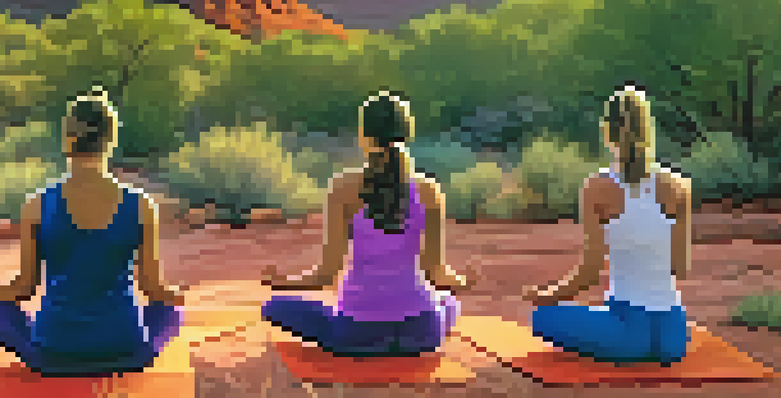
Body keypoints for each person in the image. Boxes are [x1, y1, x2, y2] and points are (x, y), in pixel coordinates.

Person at [0, 87, 185, 376]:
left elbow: (24, 289)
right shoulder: (141, 204)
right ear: (110, 141)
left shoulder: (37, 204)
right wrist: (177, 294)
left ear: (67, 139)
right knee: (171, 312)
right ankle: (137, 353)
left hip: (56, 350)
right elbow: (151, 288)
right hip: (124, 346)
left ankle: (46, 351)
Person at [261, 91, 473, 356]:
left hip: (357, 333)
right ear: (407, 133)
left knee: (274, 306)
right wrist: (464, 281)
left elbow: (327, 275)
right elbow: (436, 273)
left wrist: (283, 283)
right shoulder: (429, 190)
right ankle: (431, 320)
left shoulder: (342, 187)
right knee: (449, 303)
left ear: (364, 135)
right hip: (422, 332)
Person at [523, 84, 693, 364]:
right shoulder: (679, 187)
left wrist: (548, 295)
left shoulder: (597, 187)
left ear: (607, 130)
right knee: (652, 330)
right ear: (648, 130)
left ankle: (617, 335)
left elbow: (590, 273)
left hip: (629, 334)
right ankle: (654, 338)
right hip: (672, 333)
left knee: (542, 317)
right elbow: (680, 268)